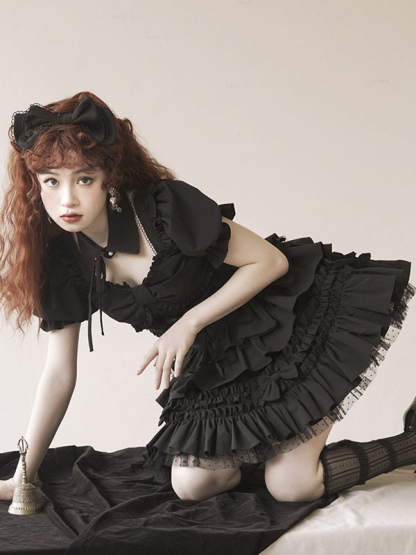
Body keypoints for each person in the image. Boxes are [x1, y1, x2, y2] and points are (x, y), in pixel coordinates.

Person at [0, 91, 415, 504]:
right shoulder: (64, 263)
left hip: (286, 322)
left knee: (292, 487)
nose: (67, 200)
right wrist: (23, 476)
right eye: (51, 181)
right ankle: (270, 453)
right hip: (216, 364)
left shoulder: (160, 208)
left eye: (84, 179)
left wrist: (189, 322)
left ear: (108, 176)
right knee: (192, 485)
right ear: (36, 185)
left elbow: (271, 262)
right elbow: (59, 374)